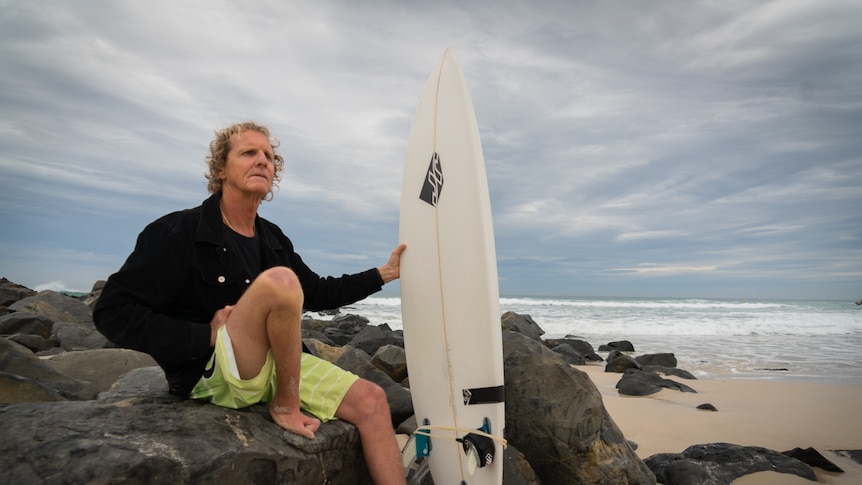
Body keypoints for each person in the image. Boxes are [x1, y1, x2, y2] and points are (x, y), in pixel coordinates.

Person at [94, 121, 407, 484]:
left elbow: (317, 292)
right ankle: (285, 407)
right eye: (249, 153)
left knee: (372, 400)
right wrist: (204, 336)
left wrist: (384, 274)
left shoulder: (271, 237)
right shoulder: (177, 232)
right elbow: (113, 312)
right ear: (221, 170)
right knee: (280, 281)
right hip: (211, 372)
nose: (263, 161)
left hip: (275, 366)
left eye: (269, 157)